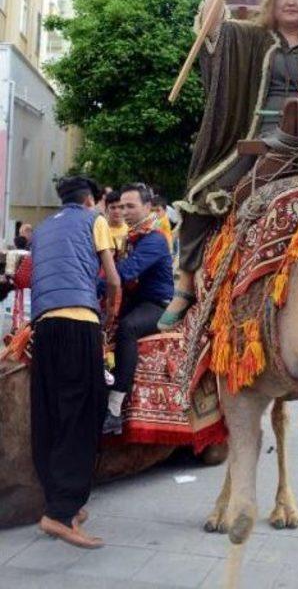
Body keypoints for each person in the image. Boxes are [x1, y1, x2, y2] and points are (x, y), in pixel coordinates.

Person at [159, 0, 298, 329]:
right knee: (205, 196)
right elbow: (211, 30)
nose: (292, 2)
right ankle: (185, 282)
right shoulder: (250, 36)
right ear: (273, 0)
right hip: (259, 139)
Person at [29, 175, 120, 549]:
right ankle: (60, 514)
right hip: (78, 324)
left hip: (43, 328)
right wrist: (111, 310)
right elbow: (112, 279)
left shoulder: (41, 229)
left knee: (49, 415)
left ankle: (61, 503)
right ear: (91, 200)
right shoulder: (94, 220)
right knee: (82, 414)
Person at [103, 183, 175, 435]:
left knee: (127, 328)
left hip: (158, 305)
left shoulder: (153, 239)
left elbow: (125, 272)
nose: (124, 211)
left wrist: (94, 285)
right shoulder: (132, 237)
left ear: (147, 207)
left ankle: (114, 408)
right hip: (136, 302)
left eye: (131, 206)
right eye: (122, 206)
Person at [105, 189, 128, 257]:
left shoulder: (131, 229)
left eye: (121, 207)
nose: (117, 211)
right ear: (106, 209)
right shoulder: (101, 230)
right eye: (113, 208)